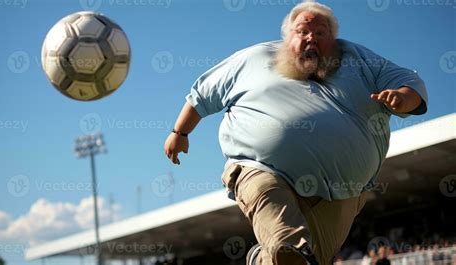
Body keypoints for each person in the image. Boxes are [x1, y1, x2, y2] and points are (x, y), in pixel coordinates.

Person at [163, 1, 428, 264]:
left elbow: (410, 83)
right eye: (303, 31)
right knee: (292, 247)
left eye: (321, 32)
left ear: (333, 40)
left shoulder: (359, 60)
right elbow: (202, 94)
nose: (311, 37)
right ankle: (284, 249)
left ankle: (262, 260)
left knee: (307, 260)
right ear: (288, 36)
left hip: (343, 190)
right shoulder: (254, 58)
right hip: (258, 168)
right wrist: (179, 132)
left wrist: (403, 98)